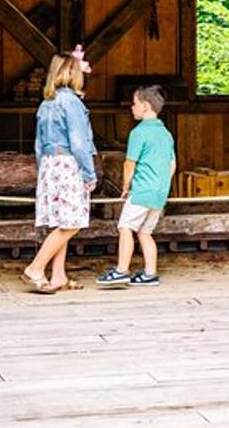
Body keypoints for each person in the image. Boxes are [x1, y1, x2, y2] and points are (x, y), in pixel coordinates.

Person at [22, 48, 97, 294]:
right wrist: (89, 173)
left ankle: (58, 276)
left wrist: (43, 170)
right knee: (71, 223)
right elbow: (78, 142)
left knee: (61, 222)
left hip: (49, 165)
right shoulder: (72, 102)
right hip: (68, 164)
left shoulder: (47, 103)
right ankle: (35, 267)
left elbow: (37, 144)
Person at [97, 85, 175, 288]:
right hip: (159, 191)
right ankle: (150, 273)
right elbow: (172, 165)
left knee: (125, 227)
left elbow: (129, 163)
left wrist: (125, 186)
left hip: (142, 190)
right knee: (145, 232)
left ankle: (121, 270)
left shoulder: (138, 133)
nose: (132, 107)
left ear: (146, 106)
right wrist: (163, 184)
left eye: (135, 103)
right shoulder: (166, 134)